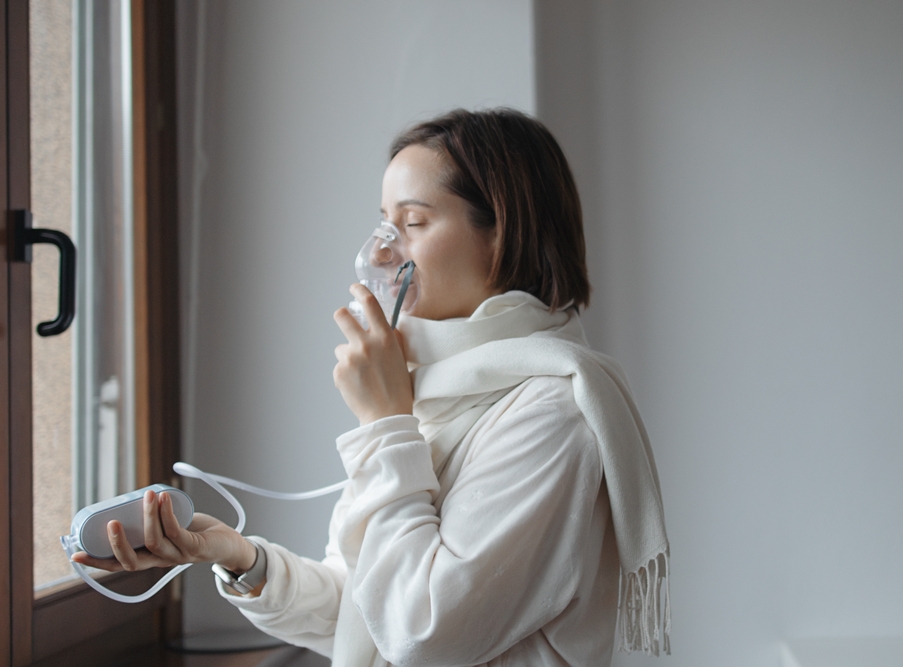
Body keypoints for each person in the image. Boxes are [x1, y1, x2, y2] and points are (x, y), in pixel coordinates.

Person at [73, 108, 670, 666]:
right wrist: (239, 558)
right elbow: (363, 605)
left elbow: (424, 632)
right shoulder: (432, 390)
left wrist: (385, 424)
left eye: (412, 222)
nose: (382, 251)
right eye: (384, 223)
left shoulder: (552, 409)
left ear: (504, 233)